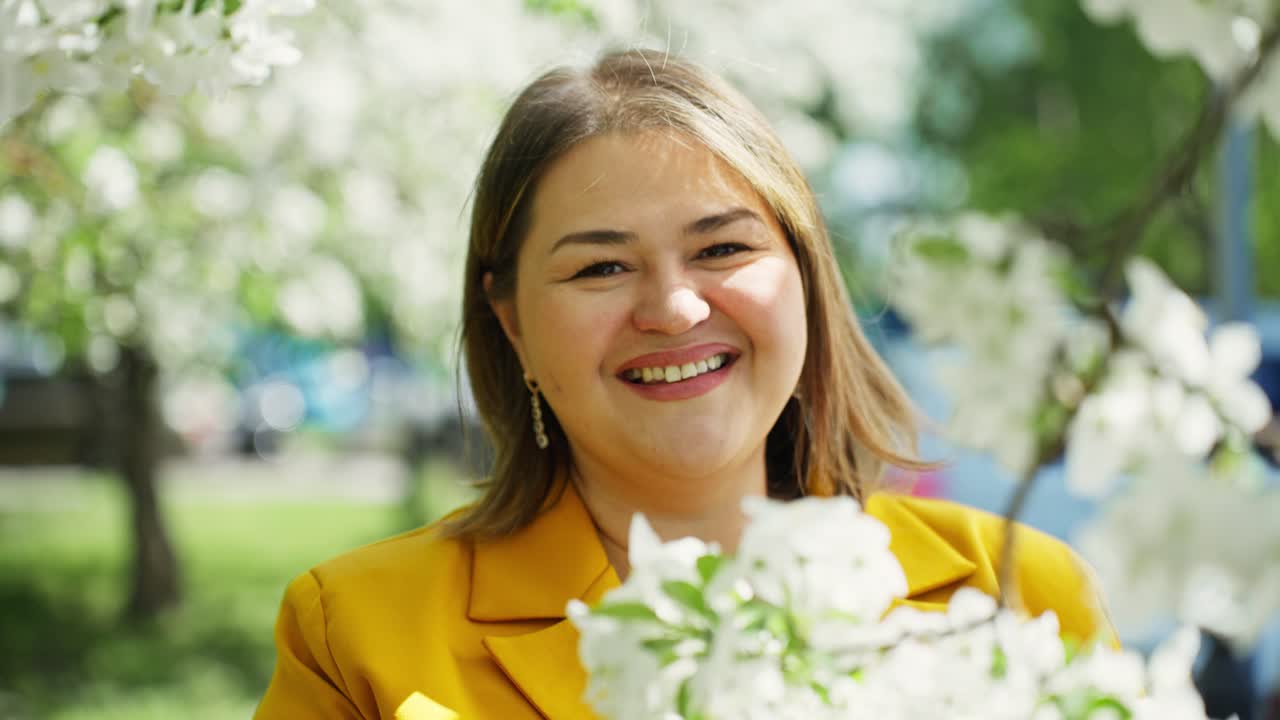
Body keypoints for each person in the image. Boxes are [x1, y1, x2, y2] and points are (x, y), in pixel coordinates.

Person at [254, 48, 1113, 720]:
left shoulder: (1022, 594)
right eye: (600, 267)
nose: (672, 308)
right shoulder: (357, 636)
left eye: (722, 248)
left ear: (805, 277)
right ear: (512, 321)